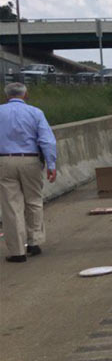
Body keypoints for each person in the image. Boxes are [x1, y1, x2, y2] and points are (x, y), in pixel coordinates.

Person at [0, 83, 57, 263]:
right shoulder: (35, 112)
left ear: (6, 96)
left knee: (11, 206)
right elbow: (47, 140)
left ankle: (17, 251)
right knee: (34, 201)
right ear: (26, 95)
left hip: (5, 160)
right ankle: (34, 242)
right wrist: (51, 164)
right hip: (30, 160)